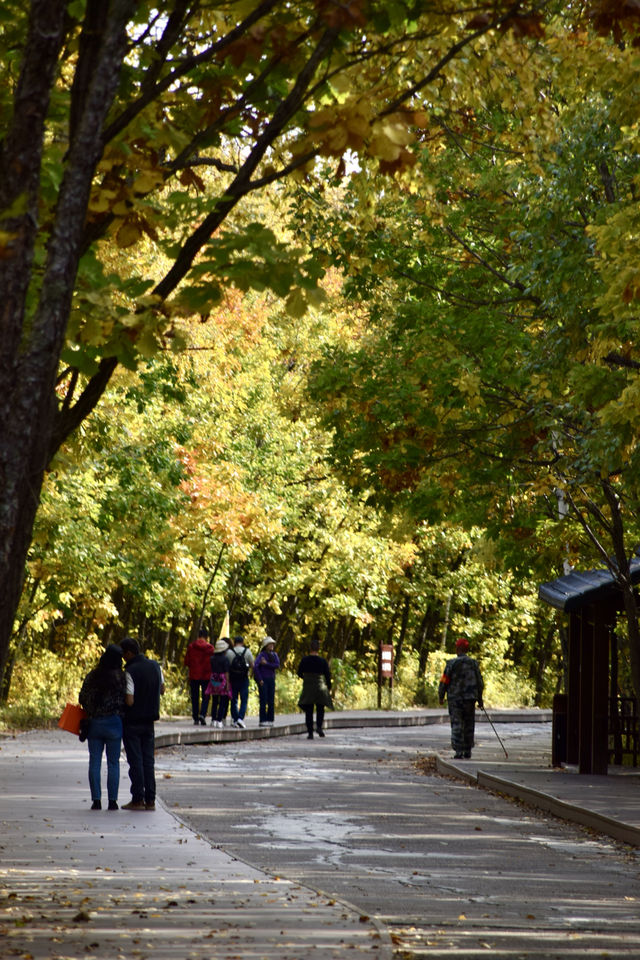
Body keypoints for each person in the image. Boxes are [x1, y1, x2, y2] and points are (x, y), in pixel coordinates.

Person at [78, 644, 127, 811]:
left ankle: (96, 800)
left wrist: (91, 710)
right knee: (113, 763)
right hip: (114, 723)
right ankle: (112, 801)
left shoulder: (93, 676)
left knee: (95, 761)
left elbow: (82, 697)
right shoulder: (122, 677)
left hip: (95, 724)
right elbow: (126, 700)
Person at [121, 636, 164, 811]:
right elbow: (162, 689)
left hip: (133, 722)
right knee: (149, 761)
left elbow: (129, 700)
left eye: (124, 654)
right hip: (150, 721)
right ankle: (151, 800)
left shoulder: (130, 671)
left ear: (129, 653)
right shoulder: (155, 666)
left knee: (136, 761)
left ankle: (137, 799)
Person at [438, 637, 484, 760]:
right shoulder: (474, 663)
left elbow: (444, 681)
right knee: (469, 724)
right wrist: (480, 699)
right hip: (470, 699)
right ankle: (467, 750)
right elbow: (479, 682)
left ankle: (458, 751)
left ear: (458, 649)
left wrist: (441, 695)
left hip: (455, 699)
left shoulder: (451, 664)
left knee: (457, 724)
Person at [297, 638, 332, 739]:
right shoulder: (322, 661)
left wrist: (306, 678)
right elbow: (327, 675)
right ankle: (319, 727)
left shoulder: (304, 660)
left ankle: (310, 732)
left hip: (308, 686)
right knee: (320, 708)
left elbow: (299, 672)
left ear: (310, 648)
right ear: (318, 649)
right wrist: (328, 686)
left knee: (309, 709)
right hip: (320, 686)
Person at [184, 626, 214, 725]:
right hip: (206, 675)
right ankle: (202, 714)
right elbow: (213, 662)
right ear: (206, 637)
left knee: (195, 696)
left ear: (199, 636)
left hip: (194, 675)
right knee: (206, 696)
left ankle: (195, 717)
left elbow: (187, 662)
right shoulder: (210, 648)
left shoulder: (191, 647)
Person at [226, 634, 254, 728]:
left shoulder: (229, 652)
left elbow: (227, 666)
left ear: (234, 643)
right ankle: (240, 718)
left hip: (233, 678)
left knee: (233, 700)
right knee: (244, 699)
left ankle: (235, 719)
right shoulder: (247, 651)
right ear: (242, 643)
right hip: (244, 678)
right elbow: (252, 665)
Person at [253, 636, 280, 727]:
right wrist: (259, 679)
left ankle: (270, 719)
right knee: (263, 699)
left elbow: (277, 665)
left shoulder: (274, 655)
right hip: (263, 679)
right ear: (266, 645)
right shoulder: (261, 655)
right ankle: (263, 719)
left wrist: (267, 664)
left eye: (272, 644)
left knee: (271, 700)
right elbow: (256, 667)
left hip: (271, 679)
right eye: (270, 644)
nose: (272, 645)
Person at [208, 638, 232, 727]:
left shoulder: (212, 658)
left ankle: (213, 719)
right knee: (222, 700)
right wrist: (228, 683)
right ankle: (219, 720)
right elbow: (226, 672)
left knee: (214, 700)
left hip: (214, 678)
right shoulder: (225, 659)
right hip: (222, 679)